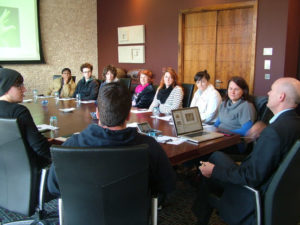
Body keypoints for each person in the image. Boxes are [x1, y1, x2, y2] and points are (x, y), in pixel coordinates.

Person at [192, 77, 300, 225]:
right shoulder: (293, 123)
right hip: (283, 196)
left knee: (213, 164)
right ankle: (203, 215)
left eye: (272, 90)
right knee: (216, 157)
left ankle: (202, 216)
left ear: (281, 97)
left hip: (252, 191)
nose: (268, 93)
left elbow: (251, 176)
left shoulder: (274, 133)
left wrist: (215, 171)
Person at [48, 82, 176, 197]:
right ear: (128, 116)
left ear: (97, 113)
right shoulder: (149, 146)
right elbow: (167, 186)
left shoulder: (72, 145)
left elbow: (53, 187)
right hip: (132, 215)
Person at [0, 68, 51, 168]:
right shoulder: (18, 111)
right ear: (5, 87)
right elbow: (39, 147)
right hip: (30, 168)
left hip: (6, 168)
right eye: (19, 86)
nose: (24, 89)